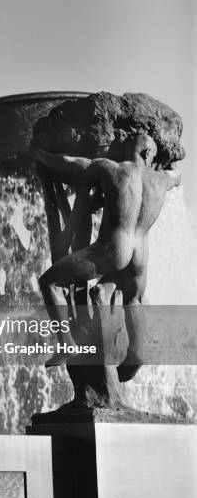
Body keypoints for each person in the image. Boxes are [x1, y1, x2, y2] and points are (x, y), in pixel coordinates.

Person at [33, 134, 181, 378]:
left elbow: (70, 162)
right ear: (148, 155)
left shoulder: (111, 168)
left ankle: (66, 341)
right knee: (134, 300)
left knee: (49, 282)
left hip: (114, 248)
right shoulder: (161, 179)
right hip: (140, 254)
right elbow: (177, 175)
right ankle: (136, 351)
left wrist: (41, 155)